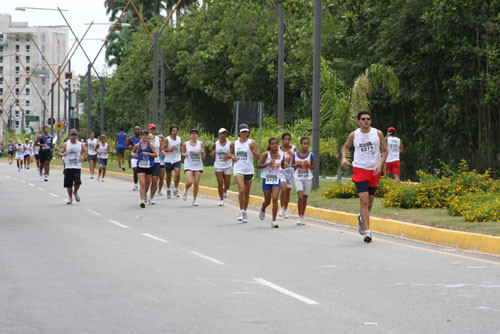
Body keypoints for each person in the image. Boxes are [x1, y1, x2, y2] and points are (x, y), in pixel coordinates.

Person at [342, 111, 388, 243]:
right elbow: (346, 147)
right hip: (360, 169)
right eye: (363, 119)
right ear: (359, 121)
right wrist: (344, 158)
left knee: (370, 202)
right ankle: (367, 232)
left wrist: (380, 164)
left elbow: (385, 151)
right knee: (364, 199)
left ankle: (362, 217)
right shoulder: (354, 135)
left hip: (374, 170)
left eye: (368, 119)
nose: (366, 121)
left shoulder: (377, 133)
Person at [231, 124, 261, 223]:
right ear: (238, 133)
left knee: (247, 192)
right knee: (242, 189)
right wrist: (232, 157)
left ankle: (245, 211)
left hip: (249, 170)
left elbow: (258, 156)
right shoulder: (234, 144)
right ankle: (241, 211)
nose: (244, 134)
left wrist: (252, 149)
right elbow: (231, 153)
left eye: (246, 132)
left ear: (248, 133)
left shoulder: (252, 142)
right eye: (242, 132)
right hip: (238, 169)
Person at [258, 137, 286, 228]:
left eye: (276, 144)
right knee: (267, 201)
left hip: (276, 179)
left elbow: (282, 165)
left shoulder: (281, 155)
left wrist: (285, 165)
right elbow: (258, 166)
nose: (274, 145)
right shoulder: (267, 154)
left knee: (274, 198)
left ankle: (274, 221)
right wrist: (268, 164)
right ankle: (263, 208)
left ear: (278, 145)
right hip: (266, 179)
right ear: (269, 145)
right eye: (272, 144)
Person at [59, 129, 87, 204]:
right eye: (72, 135)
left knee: (77, 182)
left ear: (77, 136)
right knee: (69, 184)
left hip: (77, 166)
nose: (73, 136)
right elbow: (60, 152)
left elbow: (84, 151)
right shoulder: (66, 144)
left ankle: (75, 192)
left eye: (75, 135)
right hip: (68, 166)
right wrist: (63, 154)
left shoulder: (80, 144)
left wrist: (82, 156)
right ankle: (70, 198)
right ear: (70, 136)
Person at [132, 130, 157, 208]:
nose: (145, 136)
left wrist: (148, 153)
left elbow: (156, 155)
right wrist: (135, 155)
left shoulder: (150, 145)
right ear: (141, 136)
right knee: (142, 183)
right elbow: (132, 152)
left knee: (147, 183)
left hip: (149, 166)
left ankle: (145, 193)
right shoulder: (137, 145)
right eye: (143, 135)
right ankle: (142, 201)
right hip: (140, 166)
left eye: (146, 135)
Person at [292, 136, 315, 226]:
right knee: (300, 197)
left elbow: (313, 167)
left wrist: (308, 165)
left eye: (307, 144)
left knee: (305, 199)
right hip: (298, 177)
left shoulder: (311, 155)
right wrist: (297, 165)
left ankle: (302, 215)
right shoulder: (295, 154)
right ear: (301, 144)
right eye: (304, 143)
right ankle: (298, 216)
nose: (306, 145)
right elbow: (292, 165)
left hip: (307, 178)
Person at [182, 129, 205, 206]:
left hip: (198, 165)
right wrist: (185, 155)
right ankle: (185, 190)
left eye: (195, 133)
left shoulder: (200, 144)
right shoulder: (186, 144)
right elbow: (183, 152)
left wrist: (202, 152)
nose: (194, 135)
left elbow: (204, 156)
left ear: (197, 135)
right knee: (189, 182)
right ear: (190, 135)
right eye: (192, 133)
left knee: (196, 183)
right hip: (189, 164)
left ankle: (194, 200)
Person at [210, 128, 232, 206]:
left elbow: (233, 155)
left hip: (228, 165)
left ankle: (225, 190)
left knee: (227, 184)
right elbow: (211, 153)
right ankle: (221, 199)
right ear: (219, 134)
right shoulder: (215, 144)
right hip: (218, 165)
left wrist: (228, 157)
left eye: (225, 133)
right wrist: (213, 153)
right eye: (222, 133)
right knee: (220, 182)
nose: (224, 134)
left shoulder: (230, 144)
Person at [278, 133, 296, 218]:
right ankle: (281, 207)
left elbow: (295, 162)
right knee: (283, 189)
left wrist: (292, 156)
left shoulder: (293, 148)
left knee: (288, 192)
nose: (287, 141)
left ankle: (285, 208)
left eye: (289, 139)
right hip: (281, 172)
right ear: (282, 140)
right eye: (285, 139)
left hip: (290, 172)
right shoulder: (278, 149)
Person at [162, 125, 182, 198]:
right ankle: (168, 189)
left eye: (176, 130)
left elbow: (182, 146)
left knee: (177, 173)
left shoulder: (179, 139)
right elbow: (164, 149)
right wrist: (170, 150)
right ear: (170, 131)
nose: (175, 132)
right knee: (168, 176)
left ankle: (176, 189)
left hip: (177, 158)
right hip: (168, 159)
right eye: (173, 130)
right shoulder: (167, 139)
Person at [147, 124, 162, 205]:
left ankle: (151, 197)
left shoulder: (158, 139)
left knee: (155, 180)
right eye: (151, 129)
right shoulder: (145, 138)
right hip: (147, 162)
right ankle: (144, 194)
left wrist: (164, 153)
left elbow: (161, 150)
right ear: (148, 130)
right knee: (147, 181)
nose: (153, 130)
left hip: (156, 161)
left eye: (154, 129)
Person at [127, 126, 141, 191]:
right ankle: (135, 184)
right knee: (135, 171)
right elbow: (126, 146)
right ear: (134, 131)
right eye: (136, 129)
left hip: (141, 157)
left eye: (138, 129)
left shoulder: (142, 138)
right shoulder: (130, 138)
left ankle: (141, 184)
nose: (137, 131)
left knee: (140, 171)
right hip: (134, 157)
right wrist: (133, 147)